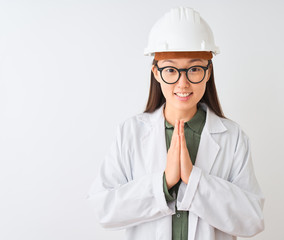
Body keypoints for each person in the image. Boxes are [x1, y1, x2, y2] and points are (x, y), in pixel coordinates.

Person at [87, 6, 265, 240]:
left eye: (194, 69)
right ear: (156, 72)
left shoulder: (233, 137)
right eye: (171, 69)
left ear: (208, 72)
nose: (183, 83)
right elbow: (104, 209)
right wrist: (163, 183)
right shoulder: (129, 133)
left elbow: (251, 221)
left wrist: (194, 180)